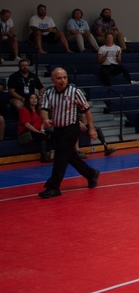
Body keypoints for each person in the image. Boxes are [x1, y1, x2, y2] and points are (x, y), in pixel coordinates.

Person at [37, 67, 100, 198]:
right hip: (58, 129)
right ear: (52, 79)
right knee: (68, 156)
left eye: (65, 77)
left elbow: (86, 111)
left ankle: (53, 186)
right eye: (59, 78)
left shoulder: (75, 92)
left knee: (60, 157)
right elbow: (44, 108)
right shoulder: (49, 93)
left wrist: (92, 128)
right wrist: (45, 119)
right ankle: (91, 173)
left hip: (71, 128)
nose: (62, 80)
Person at [18, 92, 49, 162]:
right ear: (28, 100)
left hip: (36, 131)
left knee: (51, 132)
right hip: (25, 133)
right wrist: (38, 132)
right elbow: (27, 125)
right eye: (31, 98)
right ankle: (44, 156)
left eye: (35, 98)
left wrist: (42, 129)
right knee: (41, 135)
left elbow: (42, 122)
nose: (34, 100)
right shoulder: (24, 110)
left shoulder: (38, 110)